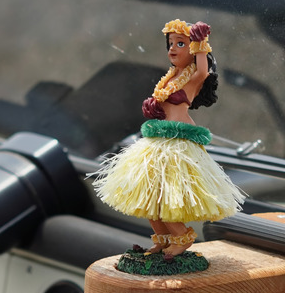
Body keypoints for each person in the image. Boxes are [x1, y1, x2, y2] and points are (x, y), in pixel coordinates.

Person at [92, 19, 244, 259]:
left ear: (193, 50)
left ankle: (182, 237)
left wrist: (201, 42)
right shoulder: (171, 78)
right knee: (149, 198)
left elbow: (204, 71)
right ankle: (163, 241)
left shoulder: (193, 76)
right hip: (157, 141)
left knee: (164, 198)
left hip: (177, 144)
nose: (172, 48)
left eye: (181, 43)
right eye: (170, 43)